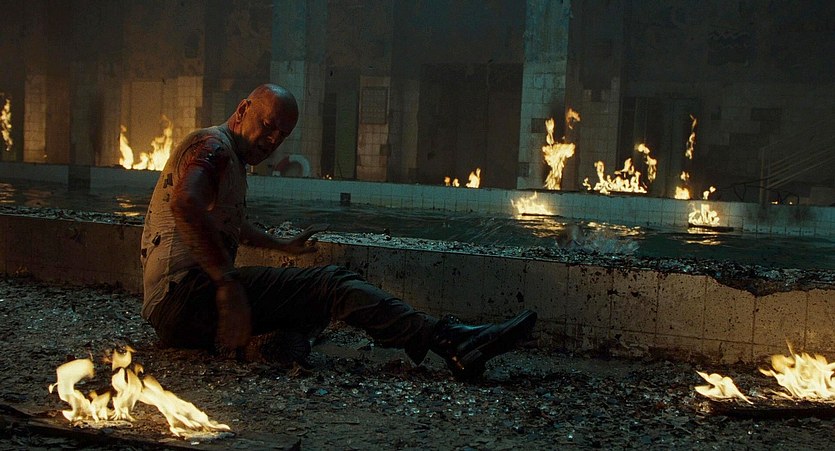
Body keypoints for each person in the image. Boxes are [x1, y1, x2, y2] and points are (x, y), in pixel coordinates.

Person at [140, 83, 536, 380]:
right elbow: (185, 204)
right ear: (243, 109)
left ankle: (255, 347)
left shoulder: (230, 158)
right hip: (185, 296)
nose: (273, 140)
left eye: (282, 135)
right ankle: (449, 339)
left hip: (176, 313)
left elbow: (226, 222)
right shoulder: (213, 146)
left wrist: (278, 244)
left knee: (301, 326)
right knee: (331, 284)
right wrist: (226, 283)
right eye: (268, 125)